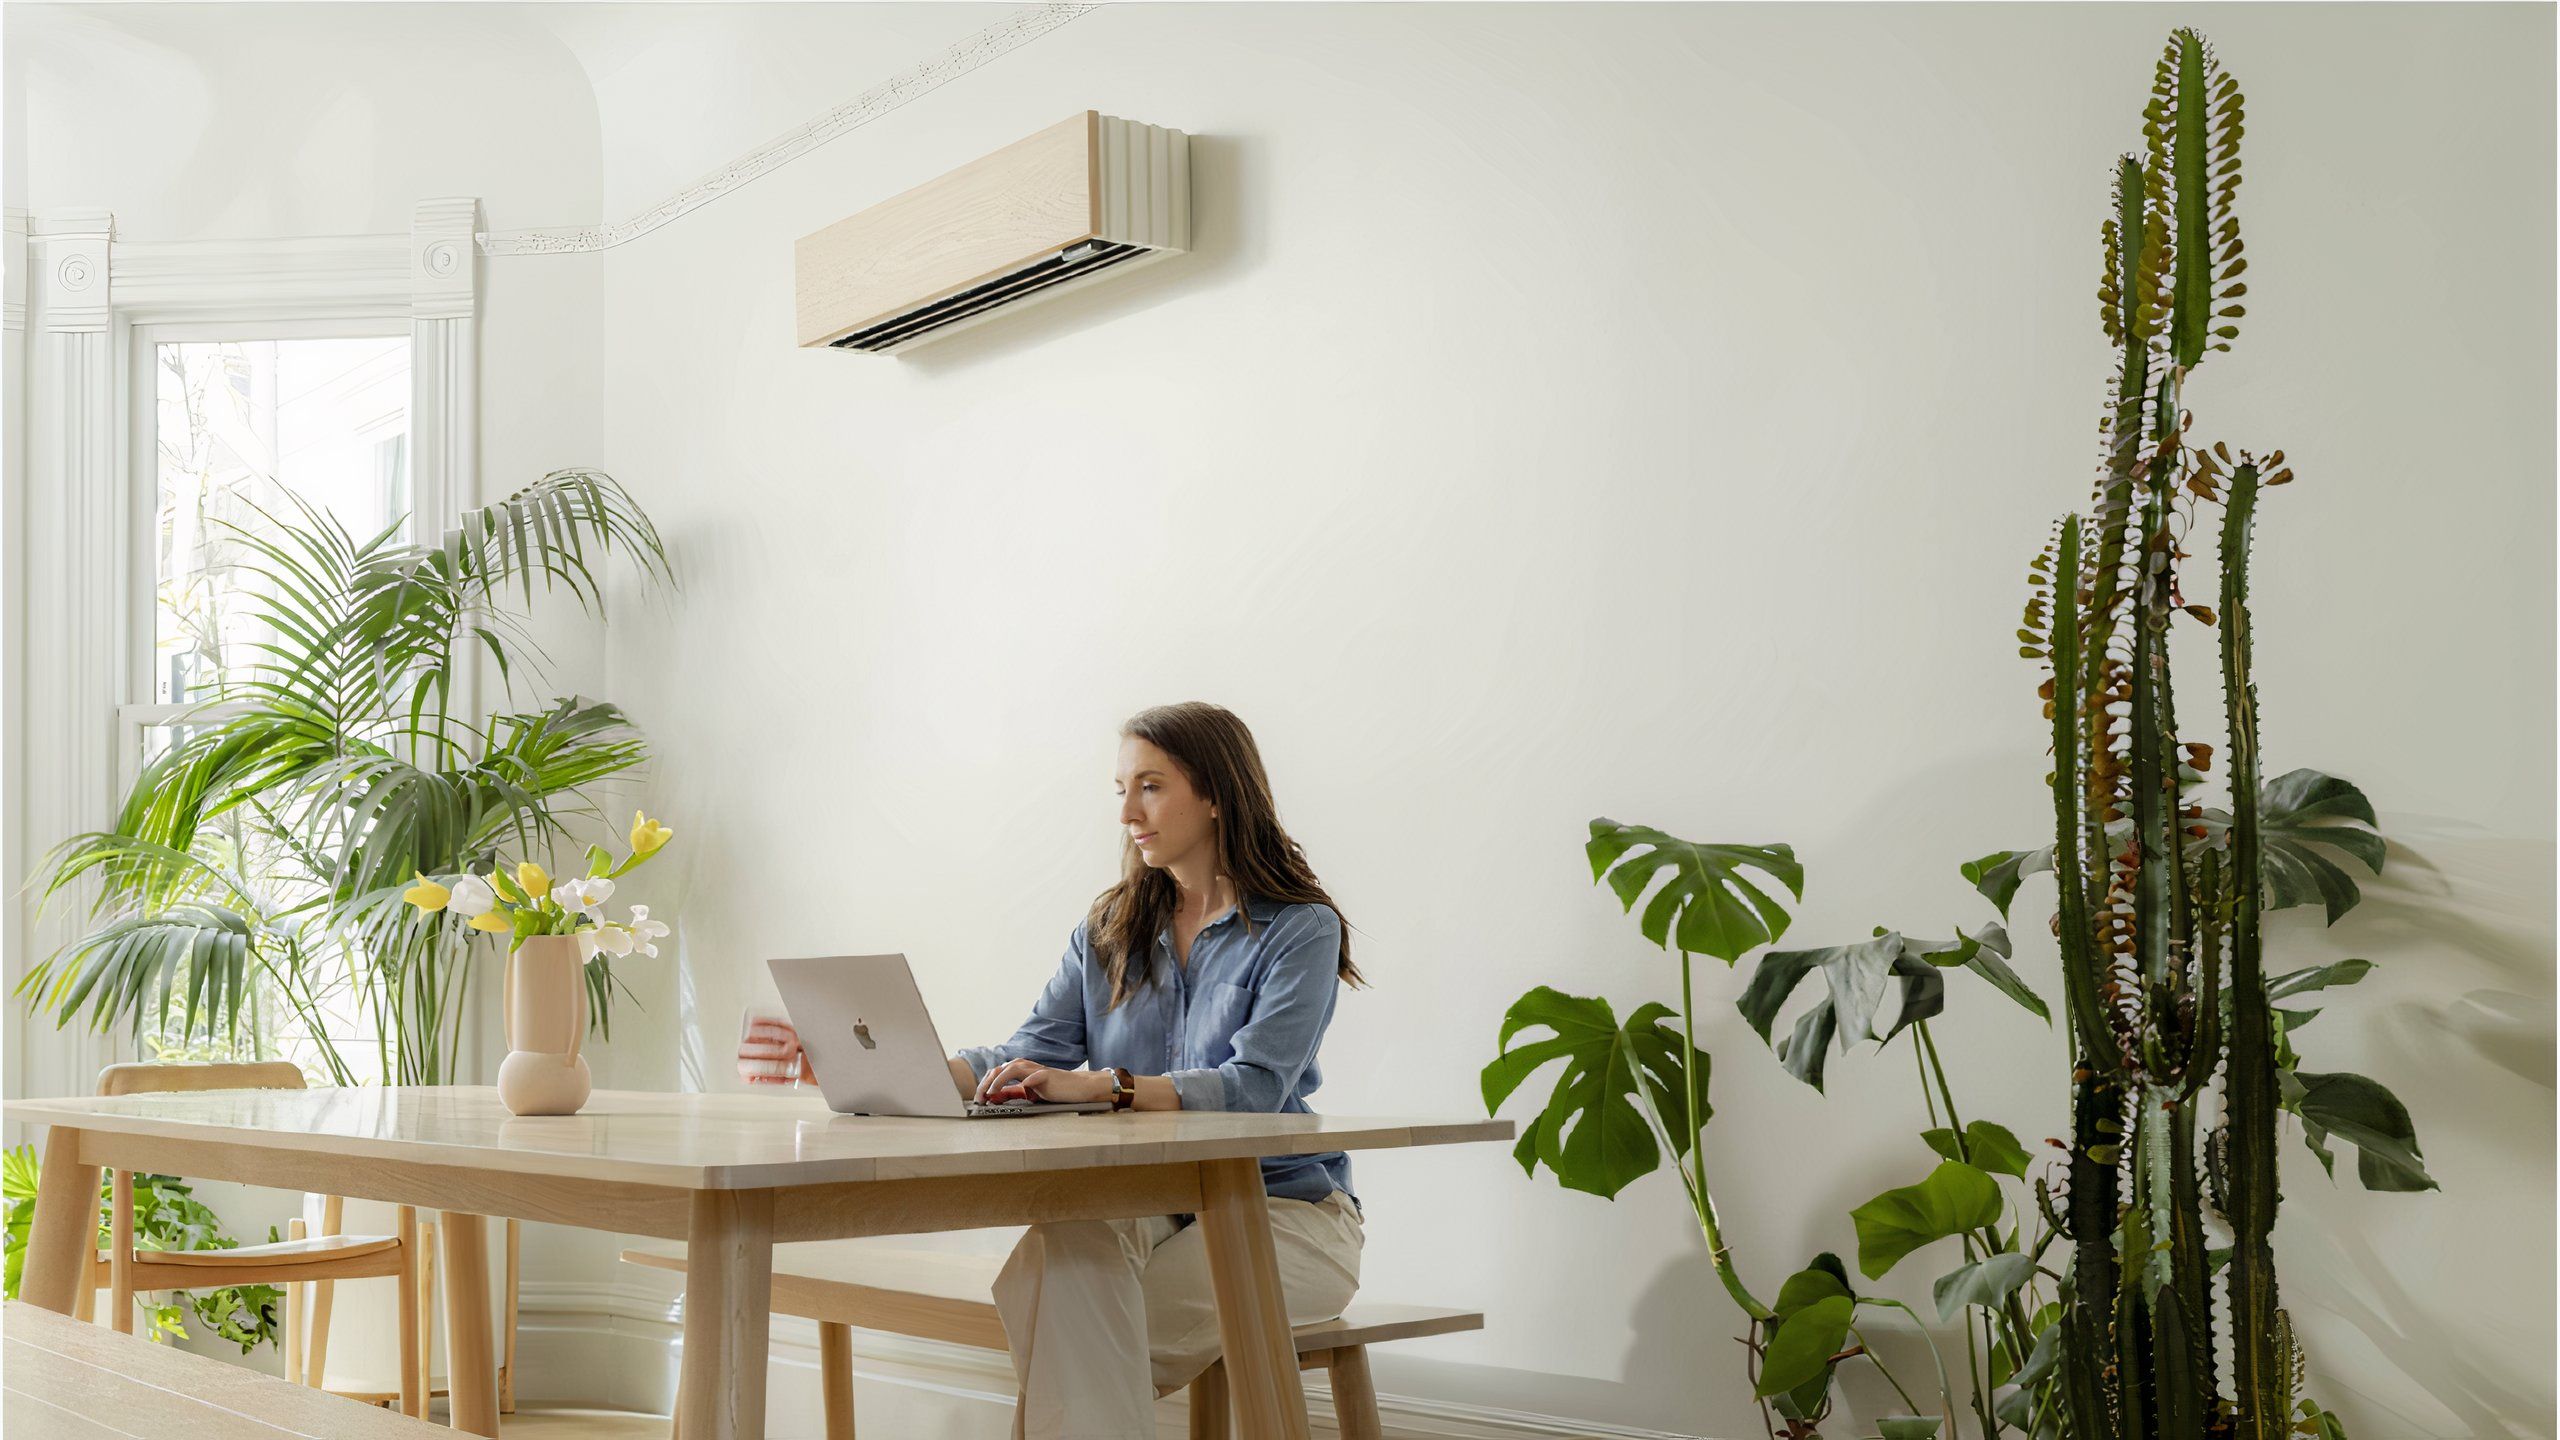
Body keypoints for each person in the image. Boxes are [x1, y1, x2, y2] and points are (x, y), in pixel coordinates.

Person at [737, 701, 1367, 1440]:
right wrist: (866, 1064)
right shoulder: (1110, 928)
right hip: (1152, 1202)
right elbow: (1025, 1052)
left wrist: (1108, 1086)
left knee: (1063, 1315)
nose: (1128, 810)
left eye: (1152, 786)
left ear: (1218, 794)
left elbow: (1256, 1089)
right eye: (1121, 788)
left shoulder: (1300, 929)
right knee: (1067, 1253)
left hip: (1285, 1216)